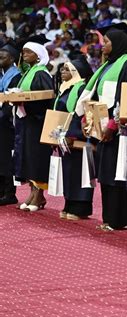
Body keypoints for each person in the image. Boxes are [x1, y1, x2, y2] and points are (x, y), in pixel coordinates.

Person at [75, 23, 127, 231]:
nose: (102, 46)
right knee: (105, 174)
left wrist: (111, 125)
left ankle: (120, 219)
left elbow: (123, 98)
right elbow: (94, 96)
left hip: (117, 129)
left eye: (107, 42)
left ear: (117, 43)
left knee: (116, 174)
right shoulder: (107, 65)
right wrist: (87, 121)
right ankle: (109, 218)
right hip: (100, 128)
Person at [14, 36, 55, 212]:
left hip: (38, 122)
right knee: (28, 157)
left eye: (28, 52)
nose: (24, 55)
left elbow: (45, 99)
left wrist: (25, 103)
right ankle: (32, 192)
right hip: (27, 122)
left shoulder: (41, 73)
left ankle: (39, 195)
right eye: (23, 52)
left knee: (37, 158)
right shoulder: (28, 72)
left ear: (38, 55)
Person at [54, 57, 94, 220]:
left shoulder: (82, 88)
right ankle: (69, 203)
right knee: (68, 172)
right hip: (65, 135)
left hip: (78, 135)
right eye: (62, 69)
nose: (62, 72)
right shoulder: (66, 88)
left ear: (77, 72)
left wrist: (74, 134)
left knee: (80, 171)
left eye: (67, 69)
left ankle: (81, 207)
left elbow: (86, 113)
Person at [0, 43, 21, 206]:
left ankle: (9, 192)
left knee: (7, 157)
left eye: (3, 56)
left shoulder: (16, 75)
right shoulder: (2, 74)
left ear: (12, 58)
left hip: (7, 122)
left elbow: (11, 101)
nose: (0, 58)